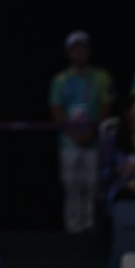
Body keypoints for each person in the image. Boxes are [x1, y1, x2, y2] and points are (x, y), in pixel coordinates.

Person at [48, 30, 114, 234]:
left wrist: (92, 132)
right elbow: (56, 109)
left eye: (83, 47)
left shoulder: (102, 77)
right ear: (68, 52)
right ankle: (73, 227)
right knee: (71, 184)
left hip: (93, 141)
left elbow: (107, 105)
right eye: (75, 48)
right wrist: (73, 134)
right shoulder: (60, 80)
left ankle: (90, 226)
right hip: (69, 142)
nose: (80, 52)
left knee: (92, 184)